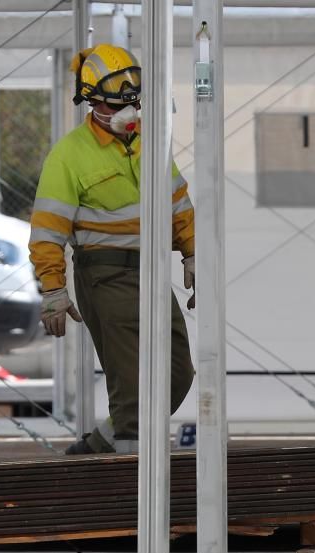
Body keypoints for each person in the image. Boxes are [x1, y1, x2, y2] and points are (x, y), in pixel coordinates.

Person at [29, 44, 196, 455]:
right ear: (91, 103)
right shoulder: (69, 156)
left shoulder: (148, 145)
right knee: (131, 378)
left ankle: (102, 442)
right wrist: (53, 290)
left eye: (133, 104)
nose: (129, 114)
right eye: (115, 105)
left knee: (179, 373)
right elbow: (47, 230)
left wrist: (193, 254)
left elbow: (178, 204)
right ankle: (128, 477)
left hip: (152, 271)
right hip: (105, 274)